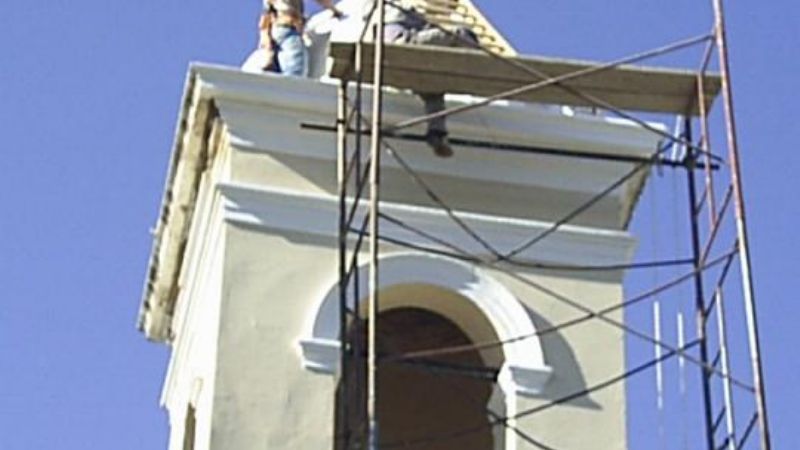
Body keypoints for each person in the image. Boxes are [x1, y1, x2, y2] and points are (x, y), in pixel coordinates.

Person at [379, 1, 479, 158]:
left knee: (434, 92)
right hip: (403, 46)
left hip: (405, 65)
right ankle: (476, 67)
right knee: (462, 33)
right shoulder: (392, 8)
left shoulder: (411, 14)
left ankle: (437, 134)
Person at [259, 0, 340, 76]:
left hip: (277, 32)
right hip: (288, 29)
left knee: (278, 76)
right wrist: (335, 10)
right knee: (295, 73)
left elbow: (267, 15)